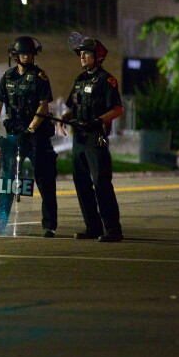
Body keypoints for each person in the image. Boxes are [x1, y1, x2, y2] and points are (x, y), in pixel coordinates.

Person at [0, 36, 59, 237]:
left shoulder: (39, 76)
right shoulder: (7, 77)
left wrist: (31, 130)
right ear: (15, 55)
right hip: (13, 136)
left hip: (36, 137)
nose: (26, 57)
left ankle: (49, 225)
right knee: (6, 180)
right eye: (22, 53)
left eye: (30, 54)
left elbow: (43, 105)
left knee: (44, 181)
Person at [59, 35, 125, 242]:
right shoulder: (79, 80)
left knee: (101, 183)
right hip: (78, 139)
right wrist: (64, 117)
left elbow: (117, 109)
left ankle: (113, 229)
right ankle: (93, 227)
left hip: (96, 138)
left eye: (86, 53)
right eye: (80, 54)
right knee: (81, 183)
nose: (81, 57)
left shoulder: (107, 80)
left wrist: (98, 121)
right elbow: (73, 107)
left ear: (98, 57)